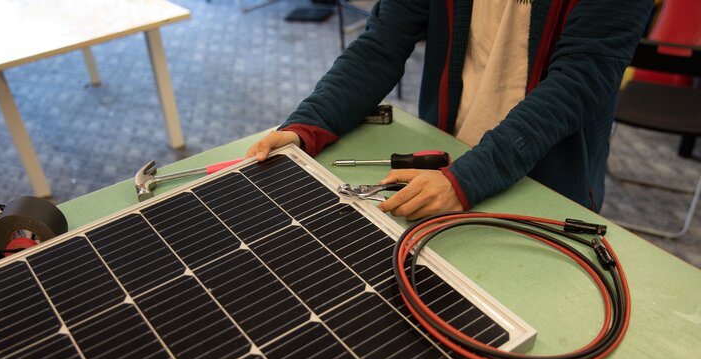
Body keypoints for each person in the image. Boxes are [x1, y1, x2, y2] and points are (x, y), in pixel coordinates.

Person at [245, 0, 653, 220]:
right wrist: (309, 124)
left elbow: (578, 83)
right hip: (447, 159)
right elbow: (382, 42)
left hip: (546, 179)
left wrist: (468, 179)